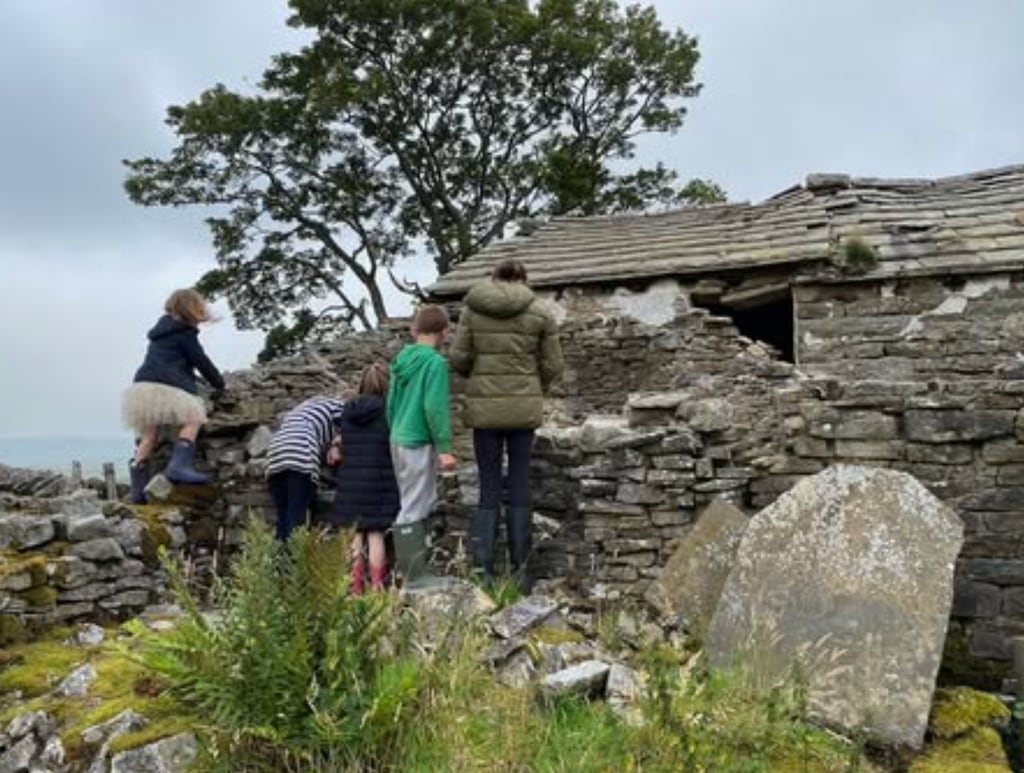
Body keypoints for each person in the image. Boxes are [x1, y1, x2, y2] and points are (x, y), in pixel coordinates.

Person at [449, 259, 564, 590]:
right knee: (519, 483)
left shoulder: (473, 309)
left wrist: (480, 376)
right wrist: (534, 386)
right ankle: (521, 573)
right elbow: (554, 364)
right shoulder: (540, 311)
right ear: (524, 279)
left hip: (485, 411)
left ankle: (483, 573)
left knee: (488, 487)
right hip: (523, 409)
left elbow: (459, 358)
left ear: (494, 278)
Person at [122, 288, 225, 504]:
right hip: (169, 385)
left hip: (142, 385)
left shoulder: (159, 333)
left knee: (149, 436)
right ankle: (178, 466)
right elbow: (201, 362)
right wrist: (219, 383)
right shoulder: (185, 335)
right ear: (192, 311)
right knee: (194, 418)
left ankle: (138, 491)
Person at [387, 304, 456, 587]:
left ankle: (411, 572)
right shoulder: (434, 363)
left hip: (398, 436)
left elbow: (390, 403)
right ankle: (415, 578)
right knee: (416, 505)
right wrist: (445, 448)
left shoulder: (401, 359)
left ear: (416, 329)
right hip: (417, 439)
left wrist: (394, 428)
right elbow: (434, 407)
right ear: (444, 331)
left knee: (409, 501)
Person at [324, 363, 399, 593]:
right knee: (375, 533)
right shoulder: (389, 410)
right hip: (380, 480)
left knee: (355, 534)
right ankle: (377, 588)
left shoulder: (348, 410)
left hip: (350, 482)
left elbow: (343, 441)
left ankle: (354, 587)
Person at [266, 394, 347, 542]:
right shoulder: (338, 405)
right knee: (297, 518)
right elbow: (350, 421)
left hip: (275, 451)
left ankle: (280, 562)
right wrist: (337, 445)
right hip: (300, 449)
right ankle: (294, 562)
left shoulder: (305, 407)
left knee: (283, 517)